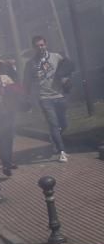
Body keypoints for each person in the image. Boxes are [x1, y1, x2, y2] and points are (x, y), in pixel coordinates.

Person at [23, 35, 74, 163]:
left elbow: (68, 67)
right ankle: (62, 151)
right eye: (37, 46)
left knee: (63, 124)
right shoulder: (30, 64)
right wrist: (27, 97)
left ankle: (54, 138)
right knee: (53, 124)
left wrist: (66, 78)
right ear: (33, 47)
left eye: (42, 45)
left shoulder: (56, 57)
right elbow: (26, 82)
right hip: (44, 97)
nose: (40, 48)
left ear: (46, 45)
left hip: (59, 95)